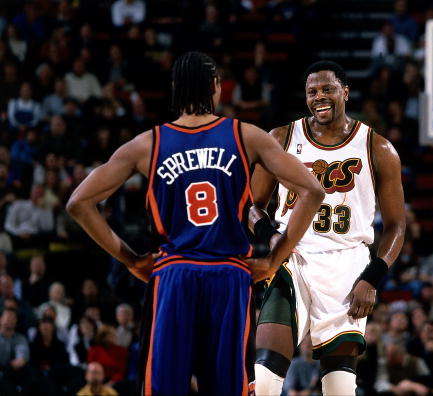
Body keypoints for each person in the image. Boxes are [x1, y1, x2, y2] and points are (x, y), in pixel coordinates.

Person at [67, 51, 324, 395]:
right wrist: (274, 261)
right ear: (216, 87)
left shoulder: (148, 144)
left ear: (175, 88)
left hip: (174, 276)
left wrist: (131, 260)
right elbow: (313, 191)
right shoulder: (246, 136)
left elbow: (78, 203)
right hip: (231, 276)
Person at [251, 60, 406, 395]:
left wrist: (373, 276)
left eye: (327, 89)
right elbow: (252, 206)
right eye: (312, 91)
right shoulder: (281, 138)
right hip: (293, 256)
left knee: (339, 386)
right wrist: (271, 236)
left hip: (348, 265)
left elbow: (396, 225)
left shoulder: (377, 148)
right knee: (265, 374)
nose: (319, 96)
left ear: (345, 92)